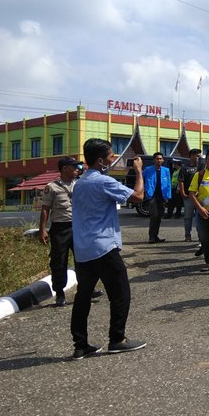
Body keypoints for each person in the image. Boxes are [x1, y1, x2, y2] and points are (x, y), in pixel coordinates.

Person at [70, 138, 146, 359]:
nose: (113, 159)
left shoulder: (80, 183)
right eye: (111, 156)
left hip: (83, 248)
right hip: (103, 246)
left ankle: (80, 345)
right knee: (120, 293)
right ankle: (117, 338)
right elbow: (139, 196)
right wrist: (138, 171)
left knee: (83, 296)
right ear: (101, 160)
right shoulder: (103, 182)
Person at [39, 157, 81, 307]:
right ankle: (60, 293)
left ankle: (86, 289)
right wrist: (42, 229)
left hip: (78, 227)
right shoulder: (52, 187)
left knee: (83, 260)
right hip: (60, 229)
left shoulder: (79, 185)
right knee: (59, 261)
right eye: (74, 166)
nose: (78, 168)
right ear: (64, 169)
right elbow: (45, 209)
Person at [143, 152, 171, 243]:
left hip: (162, 196)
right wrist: (144, 190)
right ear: (154, 160)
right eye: (157, 159)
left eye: (160, 159)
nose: (159, 160)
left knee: (159, 216)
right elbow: (140, 179)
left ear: (162, 160)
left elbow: (168, 184)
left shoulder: (166, 170)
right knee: (154, 215)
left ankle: (155, 236)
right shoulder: (148, 169)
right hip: (152, 196)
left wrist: (168, 196)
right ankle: (151, 237)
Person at [178, 149, 202, 243]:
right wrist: (183, 192)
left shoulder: (202, 168)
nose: (198, 158)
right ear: (191, 156)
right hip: (188, 197)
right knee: (188, 217)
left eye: (199, 156)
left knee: (200, 217)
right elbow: (181, 181)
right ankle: (187, 235)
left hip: (200, 197)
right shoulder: (184, 168)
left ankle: (201, 237)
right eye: (197, 156)